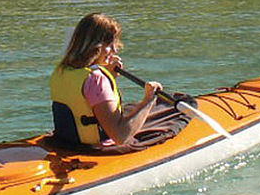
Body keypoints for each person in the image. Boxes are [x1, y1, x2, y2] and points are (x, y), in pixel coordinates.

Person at [49, 13, 180, 151]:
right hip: (96, 148)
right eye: (109, 45)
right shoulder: (96, 79)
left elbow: (85, 96)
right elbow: (120, 136)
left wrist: (109, 75)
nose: (114, 50)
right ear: (95, 46)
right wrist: (149, 100)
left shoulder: (62, 70)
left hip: (67, 141)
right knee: (170, 114)